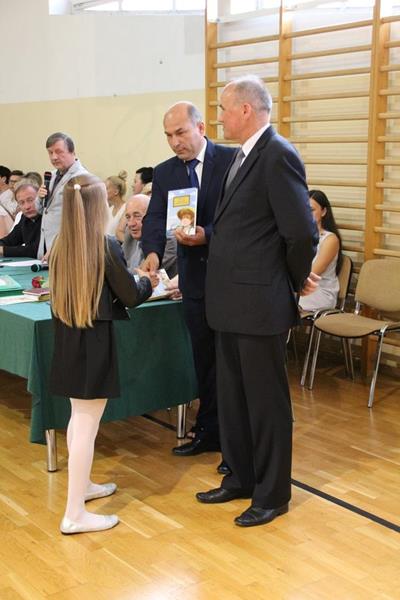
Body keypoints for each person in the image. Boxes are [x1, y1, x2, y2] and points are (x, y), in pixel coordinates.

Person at [196, 75, 319, 527]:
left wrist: (293, 279)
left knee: (266, 404)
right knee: (233, 399)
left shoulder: (277, 154)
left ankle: (272, 494)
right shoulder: (241, 155)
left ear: (246, 109)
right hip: (229, 301)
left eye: (224, 108)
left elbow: (300, 232)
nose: (219, 117)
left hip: (259, 303)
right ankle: (241, 477)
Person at [48, 174, 154, 535]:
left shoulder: (61, 243)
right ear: (98, 207)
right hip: (93, 342)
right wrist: (148, 282)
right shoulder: (104, 245)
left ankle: (83, 487)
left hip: (68, 337)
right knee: (86, 423)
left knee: (79, 418)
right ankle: (74, 513)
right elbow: (130, 295)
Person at [141, 101, 235, 458]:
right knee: (204, 360)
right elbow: (154, 217)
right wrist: (151, 251)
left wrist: (207, 235)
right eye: (168, 135)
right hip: (193, 280)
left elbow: (239, 219)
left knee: (230, 364)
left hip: (229, 278)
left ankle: (234, 440)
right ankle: (209, 431)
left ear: (201, 128)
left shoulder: (231, 161)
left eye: (180, 132)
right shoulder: (165, 172)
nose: (174, 141)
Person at [37, 132, 88, 259]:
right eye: (50, 153)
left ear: (72, 152)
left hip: (67, 247)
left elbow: (80, 220)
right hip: (46, 244)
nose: (54, 157)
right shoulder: (52, 175)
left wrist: (58, 246)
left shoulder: (82, 177)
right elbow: (42, 211)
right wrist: (39, 198)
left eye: (59, 152)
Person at [299, 189, 342, 312]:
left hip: (319, 292)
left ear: (323, 212)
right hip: (300, 287)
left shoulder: (330, 239)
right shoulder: (299, 236)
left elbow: (312, 274)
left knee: (279, 300)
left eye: (311, 210)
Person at [122, 194, 177, 278]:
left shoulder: (168, 240)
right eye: (128, 217)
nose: (131, 223)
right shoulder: (129, 235)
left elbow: (142, 275)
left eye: (137, 216)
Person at [0, 179, 42, 258]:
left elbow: (37, 250)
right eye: (21, 202)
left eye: (30, 200)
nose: (27, 207)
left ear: (40, 198)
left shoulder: (48, 218)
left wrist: (3, 250)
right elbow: (9, 240)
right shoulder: (25, 218)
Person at [105, 170, 128, 242]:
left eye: (106, 188)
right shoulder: (109, 209)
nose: (103, 191)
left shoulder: (126, 208)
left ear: (116, 191)